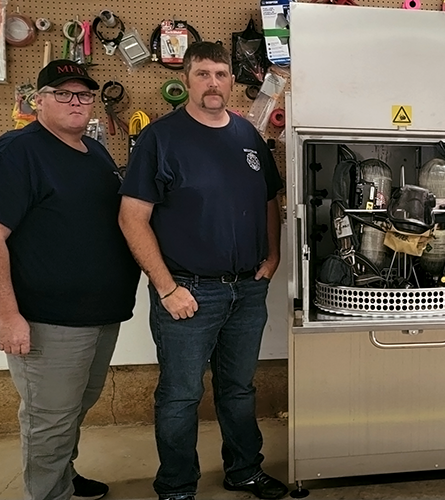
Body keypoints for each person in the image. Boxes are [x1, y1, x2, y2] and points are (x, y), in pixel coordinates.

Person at [118, 42, 286, 500]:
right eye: (202, 74)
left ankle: (244, 471)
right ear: (186, 81)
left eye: (220, 74)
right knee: (180, 395)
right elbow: (132, 218)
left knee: (239, 389)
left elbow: (270, 202)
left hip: (247, 290)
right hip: (187, 291)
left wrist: (272, 258)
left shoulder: (248, 137)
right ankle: (176, 486)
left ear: (232, 81)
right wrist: (167, 288)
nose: (213, 83)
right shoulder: (161, 138)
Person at [0, 59, 140, 500]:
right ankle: (49, 492)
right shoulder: (16, 151)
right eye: (62, 93)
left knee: (75, 407)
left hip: (99, 314)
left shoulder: (95, 151)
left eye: (83, 94)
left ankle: (63, 476)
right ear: (37, 100)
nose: (75, 102)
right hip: (47, 318)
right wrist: (8, 316)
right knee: (49, 418)